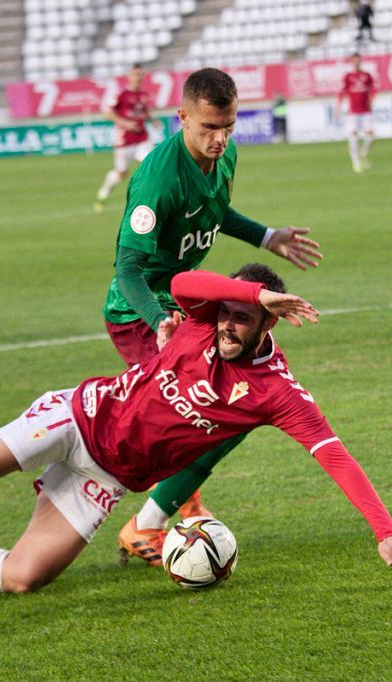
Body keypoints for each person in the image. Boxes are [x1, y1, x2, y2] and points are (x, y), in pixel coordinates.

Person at [0, 266, 392, 593]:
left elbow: (335, 455)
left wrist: (385, 531)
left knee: (24, 578)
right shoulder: (198, 315)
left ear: (271, 328)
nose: (230, 327)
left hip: (107, 476)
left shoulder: (276, 393)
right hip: (78, 418)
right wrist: (250, 293)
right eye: (230, 314)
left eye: (245, 320)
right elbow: (185, 283)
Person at [102, 67, 324, 567]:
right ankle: (148, 521)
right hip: (140, 312)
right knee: (194, 416)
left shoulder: (225, 155)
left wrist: (268, 237)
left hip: (189, 305)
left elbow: (214, 211)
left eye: (228, 126)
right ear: (181, 118)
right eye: (208, 128)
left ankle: (163, 514)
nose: (220, 138)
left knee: (235, 407)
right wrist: (158, 319)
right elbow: (128, 269)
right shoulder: (158, 178)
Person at [94, 64, 157, 213]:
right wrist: (125, 123)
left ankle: (148, 200)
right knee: (121, 173)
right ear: (129, 76)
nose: (138, 78)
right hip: (125, 142)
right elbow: (106, 112)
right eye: (135, 75)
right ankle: (103, 193)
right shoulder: (121, 94)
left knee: (152, 165)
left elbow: (143, 112)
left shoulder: (143, 95)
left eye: (140, 75)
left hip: (142, 139)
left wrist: (152, 119)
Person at [336, 53, 376, 174]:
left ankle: (364, 153)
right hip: (353, 112)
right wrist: (338, 107)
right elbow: (342, 92)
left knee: (371, 136)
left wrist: (372, 100)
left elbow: (373, 89)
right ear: (352, 63)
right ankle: (356, 164)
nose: (356, 63)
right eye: (354, 61)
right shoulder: (348, 77)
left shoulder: (367, 76)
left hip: (366, 111)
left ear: (361, 61)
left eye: (358, 60)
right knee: (353, 137)